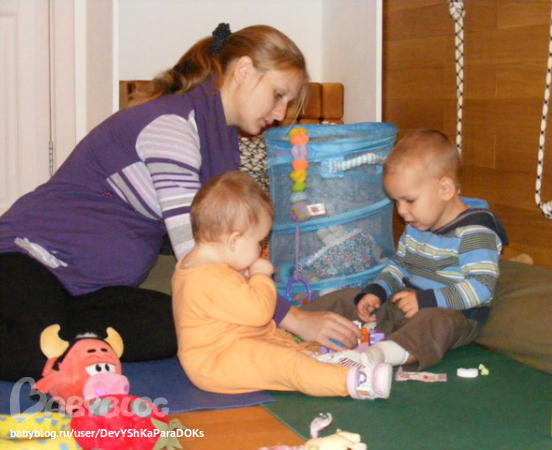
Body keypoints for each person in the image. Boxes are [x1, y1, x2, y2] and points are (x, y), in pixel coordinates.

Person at [0, 23, 360, 382]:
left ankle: (53, 336)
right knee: (39, 356)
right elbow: (200, 254)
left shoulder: (220, 141)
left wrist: (271, 314)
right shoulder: (171, 126)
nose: (280, 113)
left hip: (86, 293)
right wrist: (293, 319)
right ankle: (42, 336)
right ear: (244, 70)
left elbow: (225, 247)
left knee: (183, 332)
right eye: (278, 95)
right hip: (28, 260)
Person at [172, 171, 392, 399]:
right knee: (286, 363)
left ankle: (326, 363)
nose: (260, 250)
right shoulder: (212, 278)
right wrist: (260, 276)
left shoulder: (195, 266)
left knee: (285, 348)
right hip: (217, 361)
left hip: (235, 345)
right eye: (259, 242)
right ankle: (353, 382)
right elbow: (260, 311)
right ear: (234, 241)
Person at [311, 129, 509, 370]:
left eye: (409, 200)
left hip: (453, 313)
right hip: (406, 304)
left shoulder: (475, 230)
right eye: (396, 201)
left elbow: (481, 287)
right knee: (348, 297)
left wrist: (426, 300)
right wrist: (377, 292)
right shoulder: (417, 224)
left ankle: (377, 356)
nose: (402, 211)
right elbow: (399, 266)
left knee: (434, 322)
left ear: (445, 189)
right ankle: (288, 325)